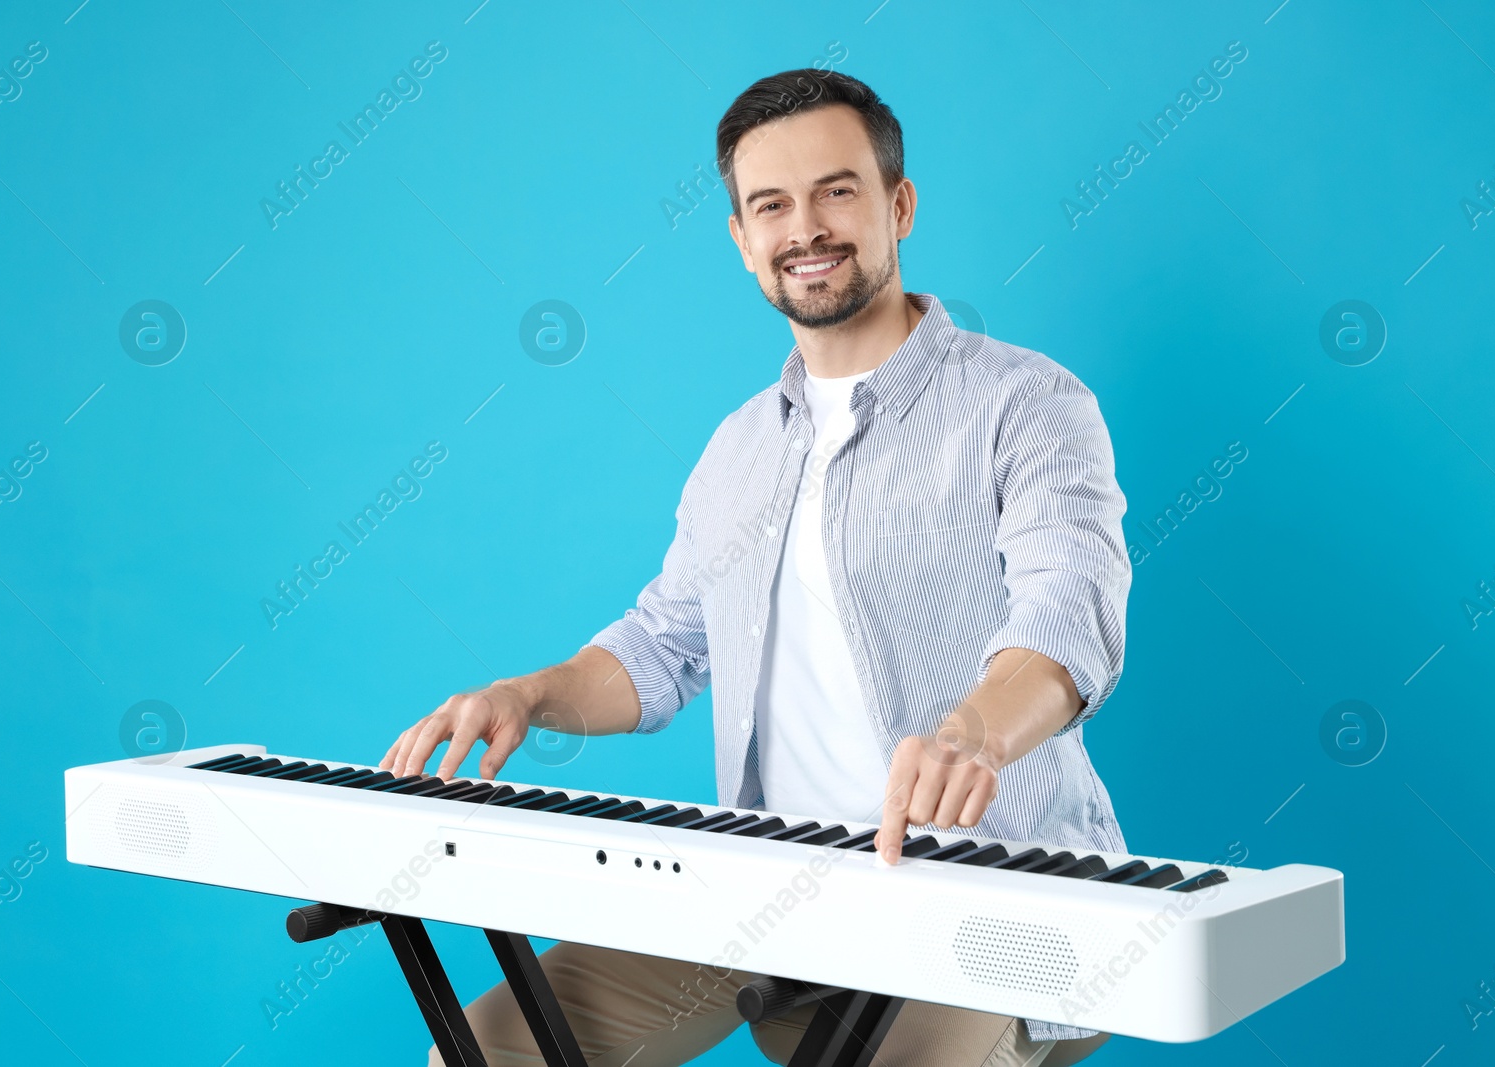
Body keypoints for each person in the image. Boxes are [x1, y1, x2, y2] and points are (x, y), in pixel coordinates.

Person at [383, 67, 1129, 1067]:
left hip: (988, 896)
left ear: (897, 204)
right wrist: (529, 693)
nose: (805, 228)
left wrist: (975, 733)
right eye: (771, 204)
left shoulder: (1027, 402)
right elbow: (660, 646)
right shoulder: (738, 447)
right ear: (741, 239)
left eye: (837, 190)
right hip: (769, 885)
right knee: (482, 1054)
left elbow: (1067, 612)